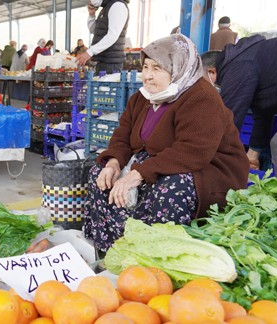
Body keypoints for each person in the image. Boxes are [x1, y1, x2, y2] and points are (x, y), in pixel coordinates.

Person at [84, 34, 249, 253]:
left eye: (157, 69)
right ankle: (111, 249)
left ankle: (152, 255)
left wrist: (137, 174)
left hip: (206, 170)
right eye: (145, 67)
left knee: (168, 189)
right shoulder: (143, 98)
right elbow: (122, 136)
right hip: (157, 161)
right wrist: (114, 162)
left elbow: (192, 151)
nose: (147, 76)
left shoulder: (202, 97)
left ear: (178, 68)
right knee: (100, 174)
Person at [201, 35, 277, 172]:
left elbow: (228, 120)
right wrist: (252, 156)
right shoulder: (248, 58)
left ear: (211, 72)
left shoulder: (237, 67)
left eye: (202, 81)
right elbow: (263, 112)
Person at [76, 0, 129, 75]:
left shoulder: (117, 5)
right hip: (103, 62)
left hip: (111, 64)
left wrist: (90, 52)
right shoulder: (106, 7)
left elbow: (112, 35)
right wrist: (92, 15)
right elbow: (94, 31)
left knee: (106, 89)